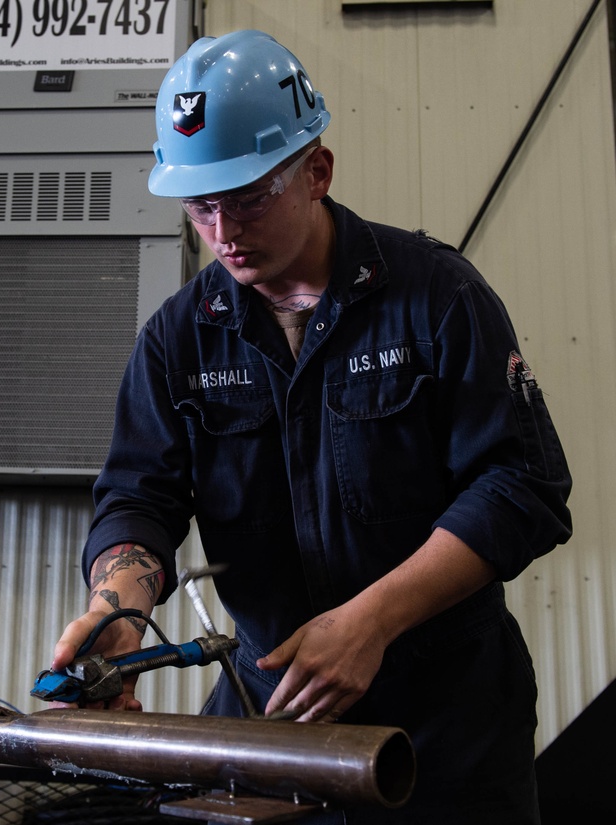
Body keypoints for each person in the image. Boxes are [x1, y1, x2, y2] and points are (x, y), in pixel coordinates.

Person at [51, 29, 572, 824]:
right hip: (271, 722)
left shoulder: (436, 299)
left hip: (445, 734)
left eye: (250, 196)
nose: (223, 231)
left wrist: (374, 620)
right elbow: (139, 498)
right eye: (201, 205)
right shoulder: (176, 340)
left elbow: (521, 486)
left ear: (316, 171)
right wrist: (118, 608)